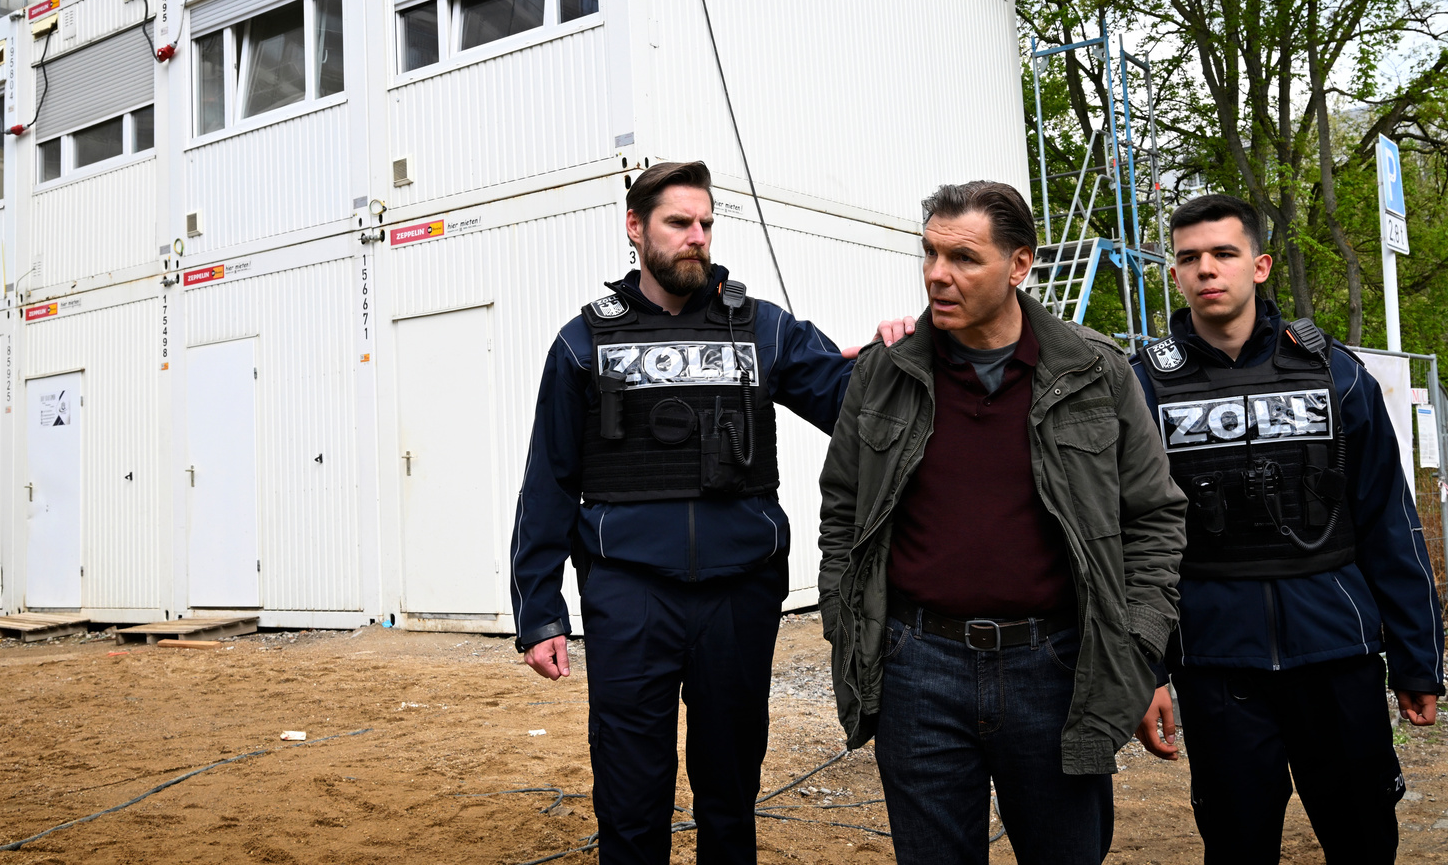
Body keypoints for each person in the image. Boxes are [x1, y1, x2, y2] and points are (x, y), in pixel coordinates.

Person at [509, 160, 909, 865]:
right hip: (628, 592)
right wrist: (540, 610)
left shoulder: (762, 328)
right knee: (630, 796)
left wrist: (901, 353)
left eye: (706, 223)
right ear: (635, 228)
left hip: (738, 590)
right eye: (679, 222)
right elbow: (549, 480)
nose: (697, 236)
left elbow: (853, 406)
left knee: (730, 792)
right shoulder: (584, 341)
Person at [817, 180, 1187, 865]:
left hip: (1056, 669)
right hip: (917, 669)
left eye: (963, 257)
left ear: (1019, 265)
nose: (937, 273)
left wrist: (1135, 651)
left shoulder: (1095, 370)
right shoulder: (883, 372)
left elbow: (1154, 518)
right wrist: (848, 624)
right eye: (930, 253)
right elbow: (842, 509)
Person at [1127, 193, 1445, 864]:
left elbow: (1390, 521)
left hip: (1339, 655)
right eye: (1189, 257)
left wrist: (1418, 658)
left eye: (1224, 253)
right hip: (1218, 666)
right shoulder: (1143, 388)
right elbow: (1127, 543)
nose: (1206, 269)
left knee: (1364, 841)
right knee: (1237, 848)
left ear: (1260, 265)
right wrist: (1145, 669)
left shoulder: (1334, 373)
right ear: (1175, 273)